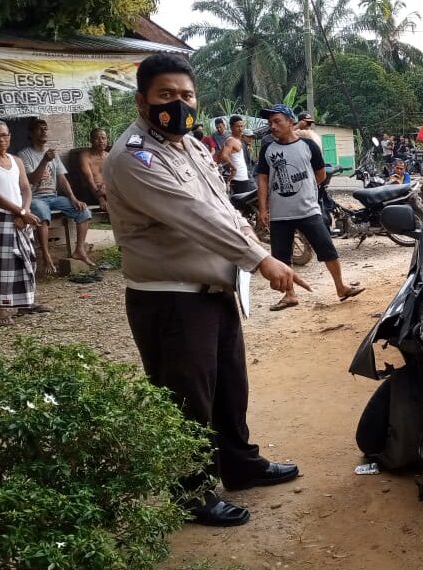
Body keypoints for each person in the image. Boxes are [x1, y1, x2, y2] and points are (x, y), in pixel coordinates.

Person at [104, 54, 306, 527]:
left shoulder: (192, 147)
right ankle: (192, 491)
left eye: (187, 95)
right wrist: (260, 259)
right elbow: (194, 217)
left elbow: (222, 207)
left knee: (230, 386)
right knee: (186, 397)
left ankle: (239, 464)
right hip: (169, 296)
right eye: (166, 95)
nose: (179, 104)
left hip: (214, 288)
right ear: (142, 101)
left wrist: (251, 243)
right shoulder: (134, 157)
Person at [256, 103, 364, 310]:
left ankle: (341, 287)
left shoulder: (308, 146)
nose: (273, 126)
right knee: (282, 256)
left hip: (308, 209)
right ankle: (290, 295)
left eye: (277, 121)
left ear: (290, 122)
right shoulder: (268, 149)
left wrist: (306, 189)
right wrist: (263, 209)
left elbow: (320, 174)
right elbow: (262, 179)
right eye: (270, 123)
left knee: (327, 248)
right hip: (280, 214)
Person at [0, 120, 45, 326]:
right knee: (3, 264)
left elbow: (26, 189)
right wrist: (20, 212)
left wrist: (25, 212)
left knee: (26, 259)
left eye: (5, 135)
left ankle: (25, 303)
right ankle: (1, 311)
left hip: (21, 216)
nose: (1, 139)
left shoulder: (16, 161)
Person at [17, 118, 94, 273]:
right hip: (35, 197)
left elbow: (62, 179)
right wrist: (44, 161)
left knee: (83, 211)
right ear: (31, 133)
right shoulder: (23, 155)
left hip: (53, 196)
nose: (44, 131)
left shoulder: (53, 154)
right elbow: (31, 180)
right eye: (39, 129)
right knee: (42, 215)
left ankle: (79, 250)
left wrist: (73, 198)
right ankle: (47, 257)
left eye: (45, 128)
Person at [77, 128, 110, 212]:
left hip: (108, 190)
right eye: (97, 138)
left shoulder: (109, 156)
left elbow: (113, 176)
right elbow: (89, 180)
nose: (101, 141)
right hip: (91, 191)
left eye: (103, 138)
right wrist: (101, 199)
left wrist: (105, 186)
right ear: (91, 140)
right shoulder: (85, 156)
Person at [220, 115, 252, 194]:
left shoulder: (239, 140)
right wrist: (233, 168)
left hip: (243, 176)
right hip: (238, 178)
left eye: (242, 126)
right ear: (231, 127)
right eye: (238, 126)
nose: (240, 129)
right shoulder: (231, 141)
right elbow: (224, 155)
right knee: (241, 200)